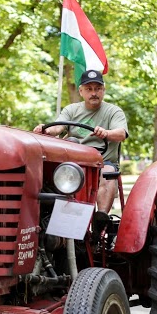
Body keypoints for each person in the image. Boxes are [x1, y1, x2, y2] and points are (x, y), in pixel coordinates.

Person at [33, 70, 128, 224]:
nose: (93, 93)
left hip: (102, 162)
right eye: (89, 89)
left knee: (108, 172)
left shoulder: (113, 111)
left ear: (103, 90)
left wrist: (106, 133)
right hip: (73, 163)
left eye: (97, 88)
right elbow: (58, 127)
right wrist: (46, 130)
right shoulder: (71, 110)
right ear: (81, 91)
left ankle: (100, 219)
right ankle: (46, 220)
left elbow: (121, 133)